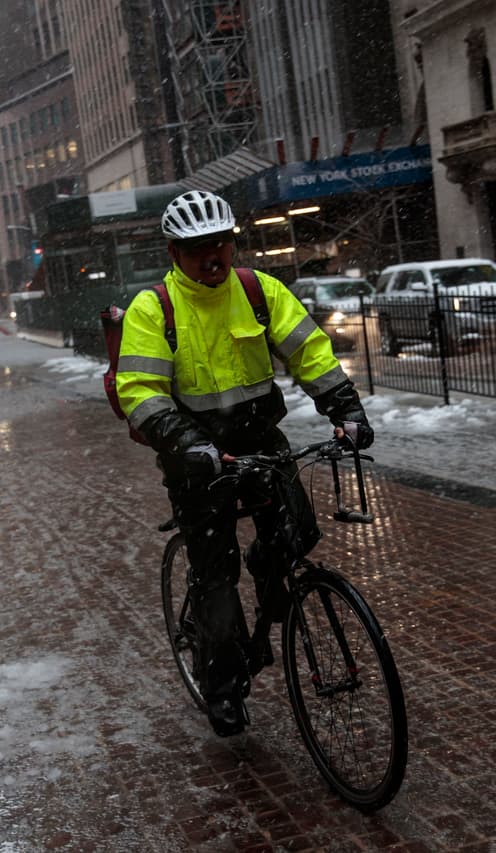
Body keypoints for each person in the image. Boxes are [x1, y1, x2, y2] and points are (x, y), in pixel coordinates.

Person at [116, 189, 375, 737]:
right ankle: (223, 684)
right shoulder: (154, 308)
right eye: (197, 250)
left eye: (221, 245)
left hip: (261, 441)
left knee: (296, 535)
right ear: (173, 253)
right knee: (216, 582)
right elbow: (140, 390)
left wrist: (346, 410)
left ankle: (268, 568)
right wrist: (187, 442)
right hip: (197, 459)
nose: (213, 258)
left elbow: (310, 354)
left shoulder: (259, 290)